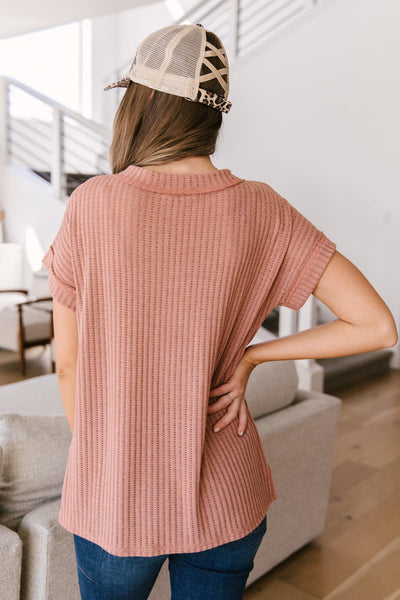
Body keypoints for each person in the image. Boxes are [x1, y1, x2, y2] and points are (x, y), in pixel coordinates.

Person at [41, 22, 398, 600]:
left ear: (137, 104)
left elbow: (67, 365)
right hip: (227, 497)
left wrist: (112, 463)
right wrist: (255, 354)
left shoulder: (94, 205)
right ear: (213, 114)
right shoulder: (261, 207)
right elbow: (377, 325)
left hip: (116, 503)